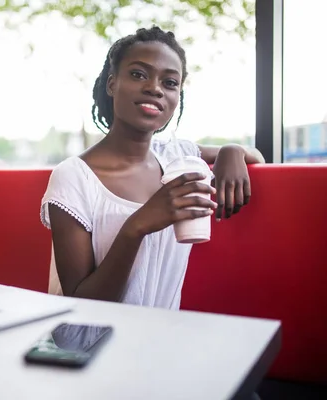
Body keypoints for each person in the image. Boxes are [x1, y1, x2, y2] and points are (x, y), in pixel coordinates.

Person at [40, 26, 265, 308]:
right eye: (138, 74)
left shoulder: (178, 156)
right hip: (87, 346)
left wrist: (232, 151)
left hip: (158, 338)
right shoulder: (73, 177)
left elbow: (255, 155)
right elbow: (81, 304)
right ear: (112, 84)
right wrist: (137, 225)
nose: (154, 88)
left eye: (170, 83)